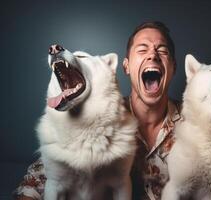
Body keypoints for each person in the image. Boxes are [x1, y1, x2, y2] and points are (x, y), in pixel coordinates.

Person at [14, 21, 181, 200]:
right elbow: (45, 177)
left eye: (162, 51)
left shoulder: (195, 122)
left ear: (173, 67)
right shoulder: (101, 120)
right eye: (142, 50)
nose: (153, 56)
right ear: (126, 66)